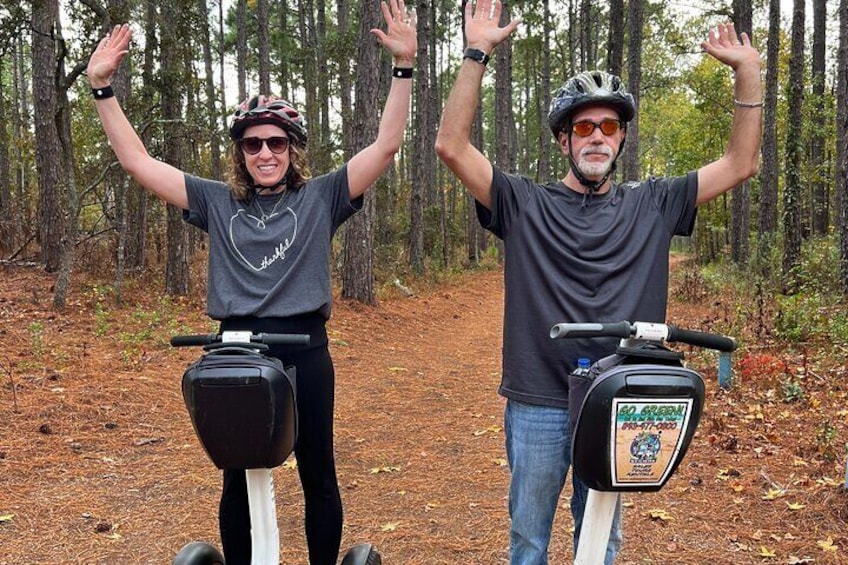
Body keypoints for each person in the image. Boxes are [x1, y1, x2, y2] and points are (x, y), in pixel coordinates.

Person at [86, 3, 416, 563]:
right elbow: (138, 162)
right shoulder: (216, 201)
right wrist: (102, 90)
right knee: (237, 479)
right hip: (234, 353)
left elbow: (385, 147)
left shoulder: (321, 197)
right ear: (241, 152)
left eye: (277, 142)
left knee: (317, 469)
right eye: (253, 144)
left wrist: (404, 68)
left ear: (292, 150)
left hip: (304, 351)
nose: (265, 152)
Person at [434, 1, 761, 563]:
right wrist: (476, 51)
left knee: (601, 540)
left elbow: (739, 163)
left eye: (609, 127)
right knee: (530, 538)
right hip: (538, 397)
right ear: (564, 139)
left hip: (622, 397)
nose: (597, 137)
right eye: (583, 126)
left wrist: (748, 72)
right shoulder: (524, 202)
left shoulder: (653, 203)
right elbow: (451, 147)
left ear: (621, 140)